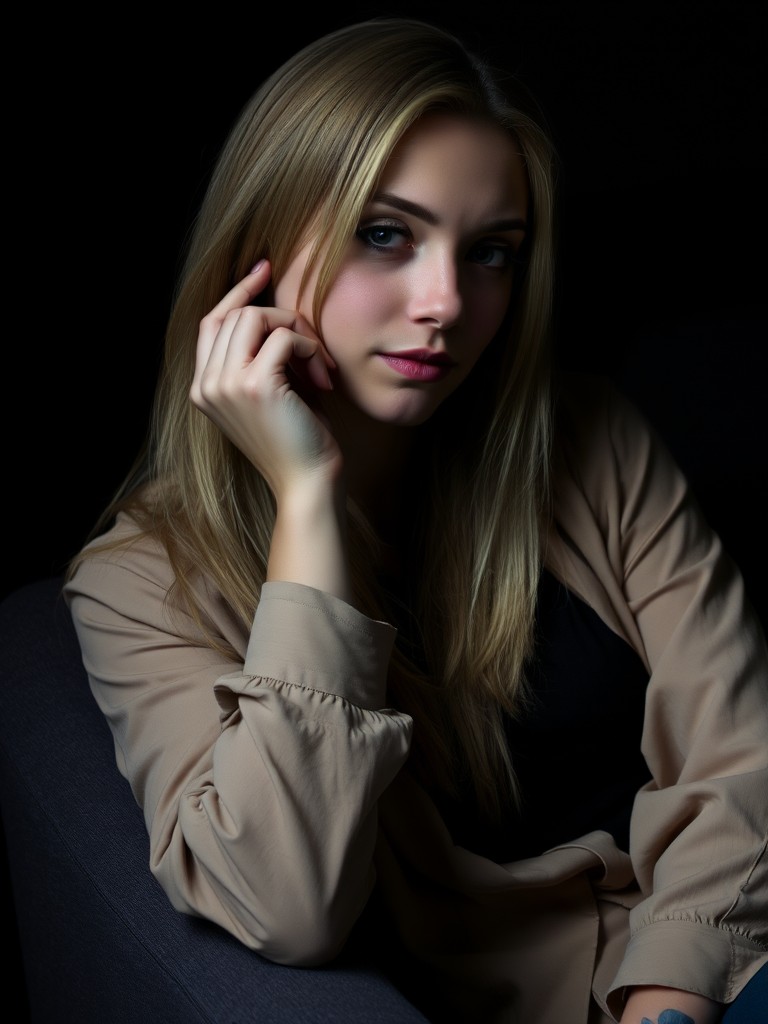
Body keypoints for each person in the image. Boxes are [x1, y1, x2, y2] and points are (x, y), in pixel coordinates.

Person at [63, 16, 767, 1024]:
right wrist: (309, 503)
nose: (445, 301)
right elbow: (285, 904)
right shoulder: (140, 578)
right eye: (385, 233)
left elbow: (742, 752)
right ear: (257, 248)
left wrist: (674, 1004)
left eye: (490, 252)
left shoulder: (586, 436)